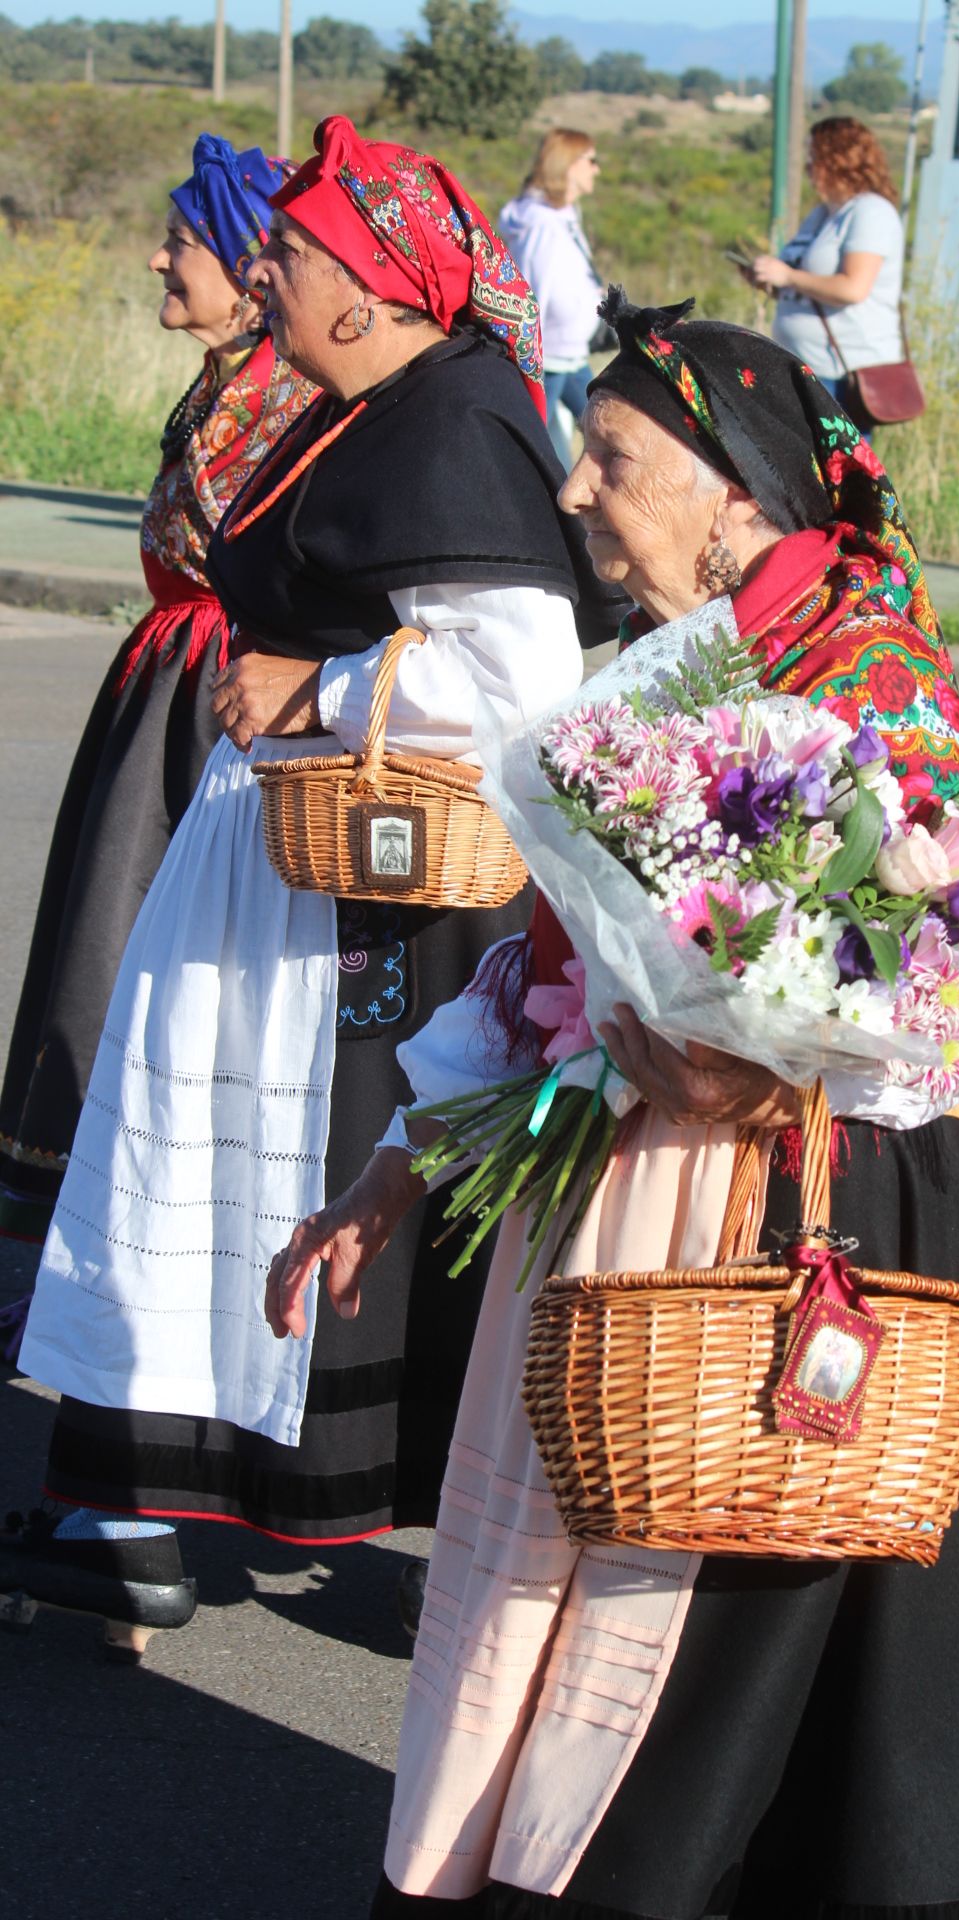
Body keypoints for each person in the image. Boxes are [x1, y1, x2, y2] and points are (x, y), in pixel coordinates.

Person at [267, 291, 959, 1918]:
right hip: (636, 1211)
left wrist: (765, 1056)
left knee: (726, 1641)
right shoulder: (661, 676)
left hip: (807, 1224)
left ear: (741, 495)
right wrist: (394, 1170)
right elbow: (549, 974)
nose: (575, 495)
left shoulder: (881, 684)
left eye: (614, 462)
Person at [9, 118, 618, 1642]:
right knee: (198, 1160)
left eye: (290, 254)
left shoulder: (452, 418)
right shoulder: (370, 406)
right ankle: (127, 1502)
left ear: (373, 286)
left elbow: (520, 686)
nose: (261, 272)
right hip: (284, 865)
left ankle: (275, 1513)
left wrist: (324, 686)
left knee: (311, 1191)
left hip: (376, 895)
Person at [0, 135, 313, 1252]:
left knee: (141, 937)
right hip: (165, 682)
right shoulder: (228, 382)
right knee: (101, 925)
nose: (154, 259)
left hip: (210, 702)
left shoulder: (286, 398)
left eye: (180, 241)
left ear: (244, 268)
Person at [752, 115, 905, 434]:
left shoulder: (870, 213)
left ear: (838, 161)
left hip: (840, 374)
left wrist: (788, 277)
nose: (809, 169)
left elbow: (853, 288)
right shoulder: (822, 215)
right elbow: (803, 282)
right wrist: (771, 280)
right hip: (800, 363)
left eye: (815, 159)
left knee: (838, 472)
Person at [501, 129, 603, 469]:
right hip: (548, 361)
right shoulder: (541, 224)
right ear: (569, 165)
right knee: (551, 459)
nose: (596, 169)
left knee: (607, 429)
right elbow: (533, 292)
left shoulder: (563, 216)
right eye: (591, 160)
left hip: (570, 354)